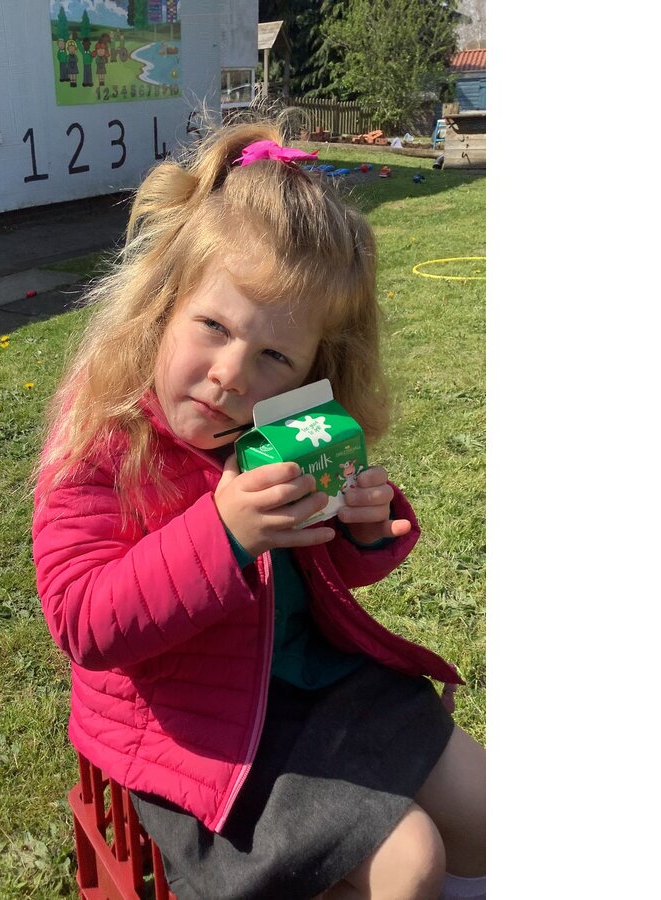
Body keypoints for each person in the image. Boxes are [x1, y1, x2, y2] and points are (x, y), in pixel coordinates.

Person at [31, 117, 486, 900]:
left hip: (313, 680)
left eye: (275, 356)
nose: (233, 375)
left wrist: (363, 528)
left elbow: (321, 569)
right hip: (197, 732)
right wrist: (223, 534)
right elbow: (81, 620)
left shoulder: (281, 423)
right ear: (163, 304)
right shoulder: (101, 433)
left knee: (486, 806)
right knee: (410, 860)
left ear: (311, 368)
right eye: (214, 327)